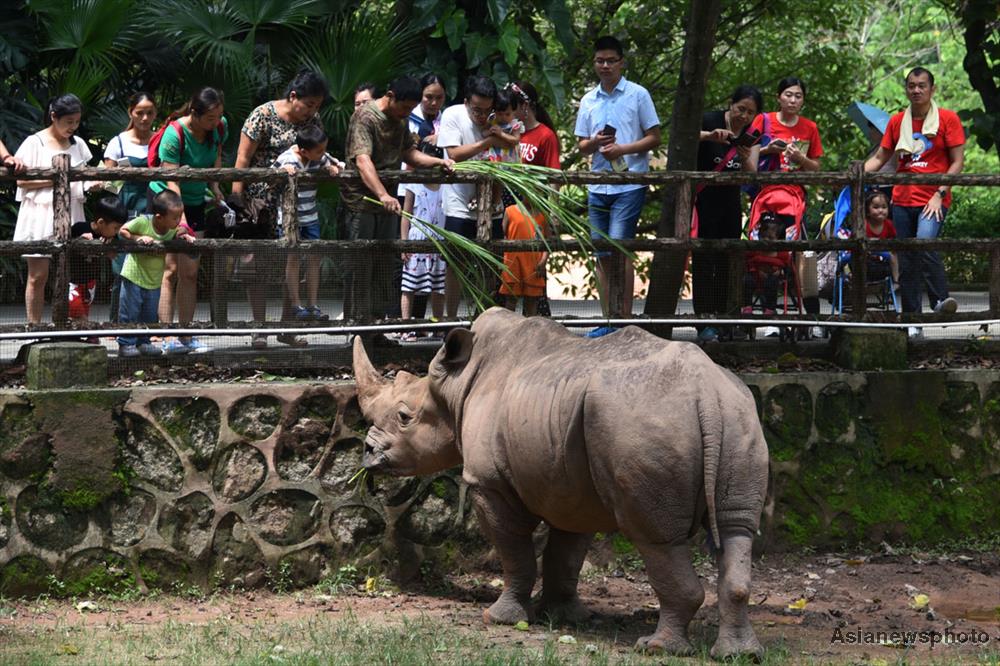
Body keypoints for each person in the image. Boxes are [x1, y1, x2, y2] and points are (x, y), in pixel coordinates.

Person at [340, 76, 454, 341]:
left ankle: (377, 331)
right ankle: (356, 334)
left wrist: (438, 162)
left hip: (387, 205)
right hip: (361, 203)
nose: (406, 114)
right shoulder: (365, 118)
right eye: (404, 107)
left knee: (384, 265)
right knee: (360, 265)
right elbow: (363, 160)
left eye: (409, 109)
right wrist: (381, 193)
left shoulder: (400, 120)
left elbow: (409, 154)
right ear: (390, 96)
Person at [864, 67, 964, 336]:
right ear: (906, 89)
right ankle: (912, 320)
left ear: (932, 89)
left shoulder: (948, 119)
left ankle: (940, 301)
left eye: (921, 85)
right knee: (907, 259)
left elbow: (957, 162)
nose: (916, 90)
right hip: (902, 197)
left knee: (925, 242)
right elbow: (880, 158)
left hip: (933, 197)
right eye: (911, 85)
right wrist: (856, 172)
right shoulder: (897, 122)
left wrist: (939, 193)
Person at [574, 35, 661, 336]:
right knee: (602, 252)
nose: (606, 65)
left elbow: (654, 136)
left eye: (611, 60)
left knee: (619, 246)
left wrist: (622, 150)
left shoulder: (638, 95)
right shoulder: (588, 100)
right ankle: (607, 319)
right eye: (601, 60)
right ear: (594, 63)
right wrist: (595, 143)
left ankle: (622, 320)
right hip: (598, 185)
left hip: (629, 183)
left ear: (622, 62)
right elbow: (582, 146)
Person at [150, 87, 228, 354]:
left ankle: (186, 334)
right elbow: (172, 179)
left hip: (196, 202)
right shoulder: (174, 134)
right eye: (210, 117)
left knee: (190, 272)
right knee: (170, 269)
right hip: (169, 201)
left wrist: (215, 188)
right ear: (194, 113)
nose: (215, 122)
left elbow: (216, 158)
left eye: (219, 116)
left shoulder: (219, 127)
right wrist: (180, 219)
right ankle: (166, 334)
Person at [14, 94, 95, 324]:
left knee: (71, 273)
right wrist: (59, 179)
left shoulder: (79, 144)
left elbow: (84, 176)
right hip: (40, 213)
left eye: (77, 122)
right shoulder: (34, 142)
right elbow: (22, 182)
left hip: (72, 212)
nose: (73, 127)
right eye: (68, 121)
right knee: (38, 275)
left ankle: (69, 325)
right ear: (53, 116)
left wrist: (93, 184)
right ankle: (35, 326)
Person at [692, 85, 762, 343]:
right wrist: (710, 136)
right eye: (740, 109)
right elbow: (684, 138)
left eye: (750, 112)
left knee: (725, 261)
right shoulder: (710, 120)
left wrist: (744, 157)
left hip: (730, 203)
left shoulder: (753, 133)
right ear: (730, 104)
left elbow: (751, 172)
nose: (743, 116)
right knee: (703, 260)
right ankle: (703, 320)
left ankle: (722, 319)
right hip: (704, 200)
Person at [271, 125, 343, 349]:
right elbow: (269, 176)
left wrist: (333, 166)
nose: (322, 154)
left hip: (310, 216)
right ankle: (296, 304)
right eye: (319, 151)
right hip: (290, 218)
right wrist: (282, 174)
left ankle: (312, 304)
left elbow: (336, 162)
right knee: (293, 259)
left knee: (314, 258)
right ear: (303, 150)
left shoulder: (319, 156)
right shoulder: (288, 159)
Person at [437, 75, 501, 317]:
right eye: (476, 110)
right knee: (456, 264)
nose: (481, 115)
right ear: (466, 102)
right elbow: (453, 153)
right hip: (459, 205)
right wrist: (486, 143)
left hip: (491, 205)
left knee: (490, 264)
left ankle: (485, 318)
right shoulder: (453, 114)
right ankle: (450, 320)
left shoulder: (498, 119)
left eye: (487, 110)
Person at [117, 190, 194, 357]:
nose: (178, 221)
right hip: (134, 276)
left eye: (179, 217)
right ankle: (126, 343)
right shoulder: (143, 222)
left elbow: (179, 232)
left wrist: (184, 235)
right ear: (159, 217)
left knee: (149, 314)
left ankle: (143, 341)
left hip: (153, 280)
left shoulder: (170, 229)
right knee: (130, 312)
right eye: (175, 218)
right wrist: (138, 238)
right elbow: (123, 231)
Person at [103, 92, 157, 322]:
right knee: (123, 270)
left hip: (152, 213)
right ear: (131, 113)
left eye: (150, 113)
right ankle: (118, 323)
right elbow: (109, 186)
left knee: (150, 269)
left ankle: (148, 325)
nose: (145, 118)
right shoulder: (118, 142)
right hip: (124, 212)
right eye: (140, 113)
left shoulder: (160, 140)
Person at [511, 80, 561, 316]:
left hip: (534, 207)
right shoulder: (509, 132)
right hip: (510, 205)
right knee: (510, 267)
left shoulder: (545, 135)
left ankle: (536, 323)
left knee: (534, 267)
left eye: (513, 105)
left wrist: (553, 212)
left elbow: (553, 176)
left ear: (525, 106)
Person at [69, 193, 127, 324]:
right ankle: (90, 334)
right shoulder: (79, 228)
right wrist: (79, 240)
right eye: (115, 228)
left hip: (90, 282)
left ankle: (81, 338)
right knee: (76, 311)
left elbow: (113, 255)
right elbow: (65, 245)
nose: (117, 231)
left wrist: (108, 246)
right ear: (101, 222)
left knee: (83, 311)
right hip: (71, 281)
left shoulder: (111, 238)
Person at [399, 182, 446, 339]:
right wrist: (405, 243)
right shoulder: (413, 186)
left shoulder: (446, 186)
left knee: (438, 287)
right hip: (417, 239)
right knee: (409, 286)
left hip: (439, 240)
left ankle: (438, 325)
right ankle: (406, 326)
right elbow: (406, 214)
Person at [836, 190, 900, 284]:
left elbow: (893, 242)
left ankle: (896, 279)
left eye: (884, 207)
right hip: (863, 258)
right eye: (876, 207)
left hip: (881, 260)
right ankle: (849, 276)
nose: (881, 210)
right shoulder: (863, 225)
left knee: (893, 255)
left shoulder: (889, 225)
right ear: (868, 211)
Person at [499, 202, 549, 316]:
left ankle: (530, 331)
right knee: (511, 300)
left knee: (531, 301)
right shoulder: (510, 211)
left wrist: (543, 261)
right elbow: (502, 236)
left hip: (534, 265)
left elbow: (548, 241)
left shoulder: (543, 215)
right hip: (512, 263)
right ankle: (509, 330)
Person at [742, 213, 790, 316]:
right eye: (763, 237)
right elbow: (747, 260)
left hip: (772, 277)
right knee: (747, 280)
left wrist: (779, 271)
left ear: (777, 238)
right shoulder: (755, 250)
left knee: (772, 282)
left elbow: (786, 264)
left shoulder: (781, 253)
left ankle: (770, 308)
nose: (766, 240)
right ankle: (747, 306)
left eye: (770, 238)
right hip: (755, 276)